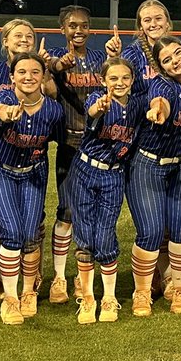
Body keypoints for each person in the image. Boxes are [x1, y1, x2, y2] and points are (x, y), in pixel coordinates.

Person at [125, 35, 181, 317]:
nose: (175, 60)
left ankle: (179, 288)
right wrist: (157, 110)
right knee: (151, 231)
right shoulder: (163, 84)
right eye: (167, 60)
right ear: (161, 68)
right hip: (149, 163)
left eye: (178, 52)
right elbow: (161, 101)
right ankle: (142, 291)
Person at [0, 52, 66, 325]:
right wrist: (7, 114)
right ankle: (10, 299)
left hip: (33, 172)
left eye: (34, 72)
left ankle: (29, 290)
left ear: (43, 76)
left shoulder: (53, 110)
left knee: (31, 234)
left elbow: (60, 139)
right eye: (22, 72)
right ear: (12, 77)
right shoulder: (5, 97)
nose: (28, 77)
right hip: (0, 171)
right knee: (11, 232)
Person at [70, 57, 144, 324]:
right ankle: (88, 298)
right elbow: (93, 110)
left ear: (133, 81)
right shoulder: (97, 98)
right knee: (84, 236)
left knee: (104, 235)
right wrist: (99, 108)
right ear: (103, 81)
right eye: (113, 78)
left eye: (125, 78)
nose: (119, 83)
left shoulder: (138, 104)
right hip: (84, 170)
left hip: (114, 174)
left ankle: (109, 297)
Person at [44, 5, 106, 305]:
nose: (78, 30)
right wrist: (56, 66)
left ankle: (85, 276)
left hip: (99, 145)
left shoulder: (99, 59)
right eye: (72, 25)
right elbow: (51, 77)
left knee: (92, 213)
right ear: (62, 29)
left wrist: (116, 56)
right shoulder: (56, 56)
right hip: (70, 144)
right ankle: (59, 277)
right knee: (67, 212)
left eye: (83, 25)